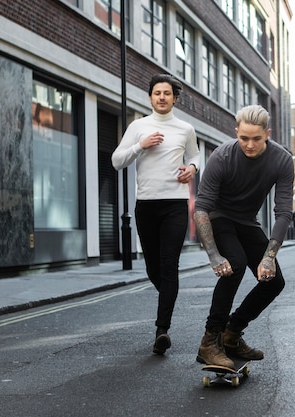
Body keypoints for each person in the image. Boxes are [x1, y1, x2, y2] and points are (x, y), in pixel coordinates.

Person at [193, 105, 294, 368]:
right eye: (243, 138)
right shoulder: (222, 156)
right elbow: (202, 208)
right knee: (234, 265)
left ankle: (232, 333)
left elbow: (283, 211)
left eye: (256, 139)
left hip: (248, 222)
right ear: (236, 132)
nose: (249, 145)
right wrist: (214, 255)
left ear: (267, 134)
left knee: (274, 282)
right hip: (220, 217)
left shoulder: (281, 160)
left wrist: (269, 257)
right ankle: (209, 341)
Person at [111, 74, 200, 355]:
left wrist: (193, 169)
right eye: (157, 93)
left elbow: (195, 156)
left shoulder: (185, 129)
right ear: (150, 97)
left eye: (167, 93)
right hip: (146, 204)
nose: (162, 97)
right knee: (153, 267)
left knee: (169, 263)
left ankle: (162, 330)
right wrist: (140, 146)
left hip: (175, 204)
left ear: (175, 98)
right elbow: (116, 161)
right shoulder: (138, 127)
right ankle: (169, 297)